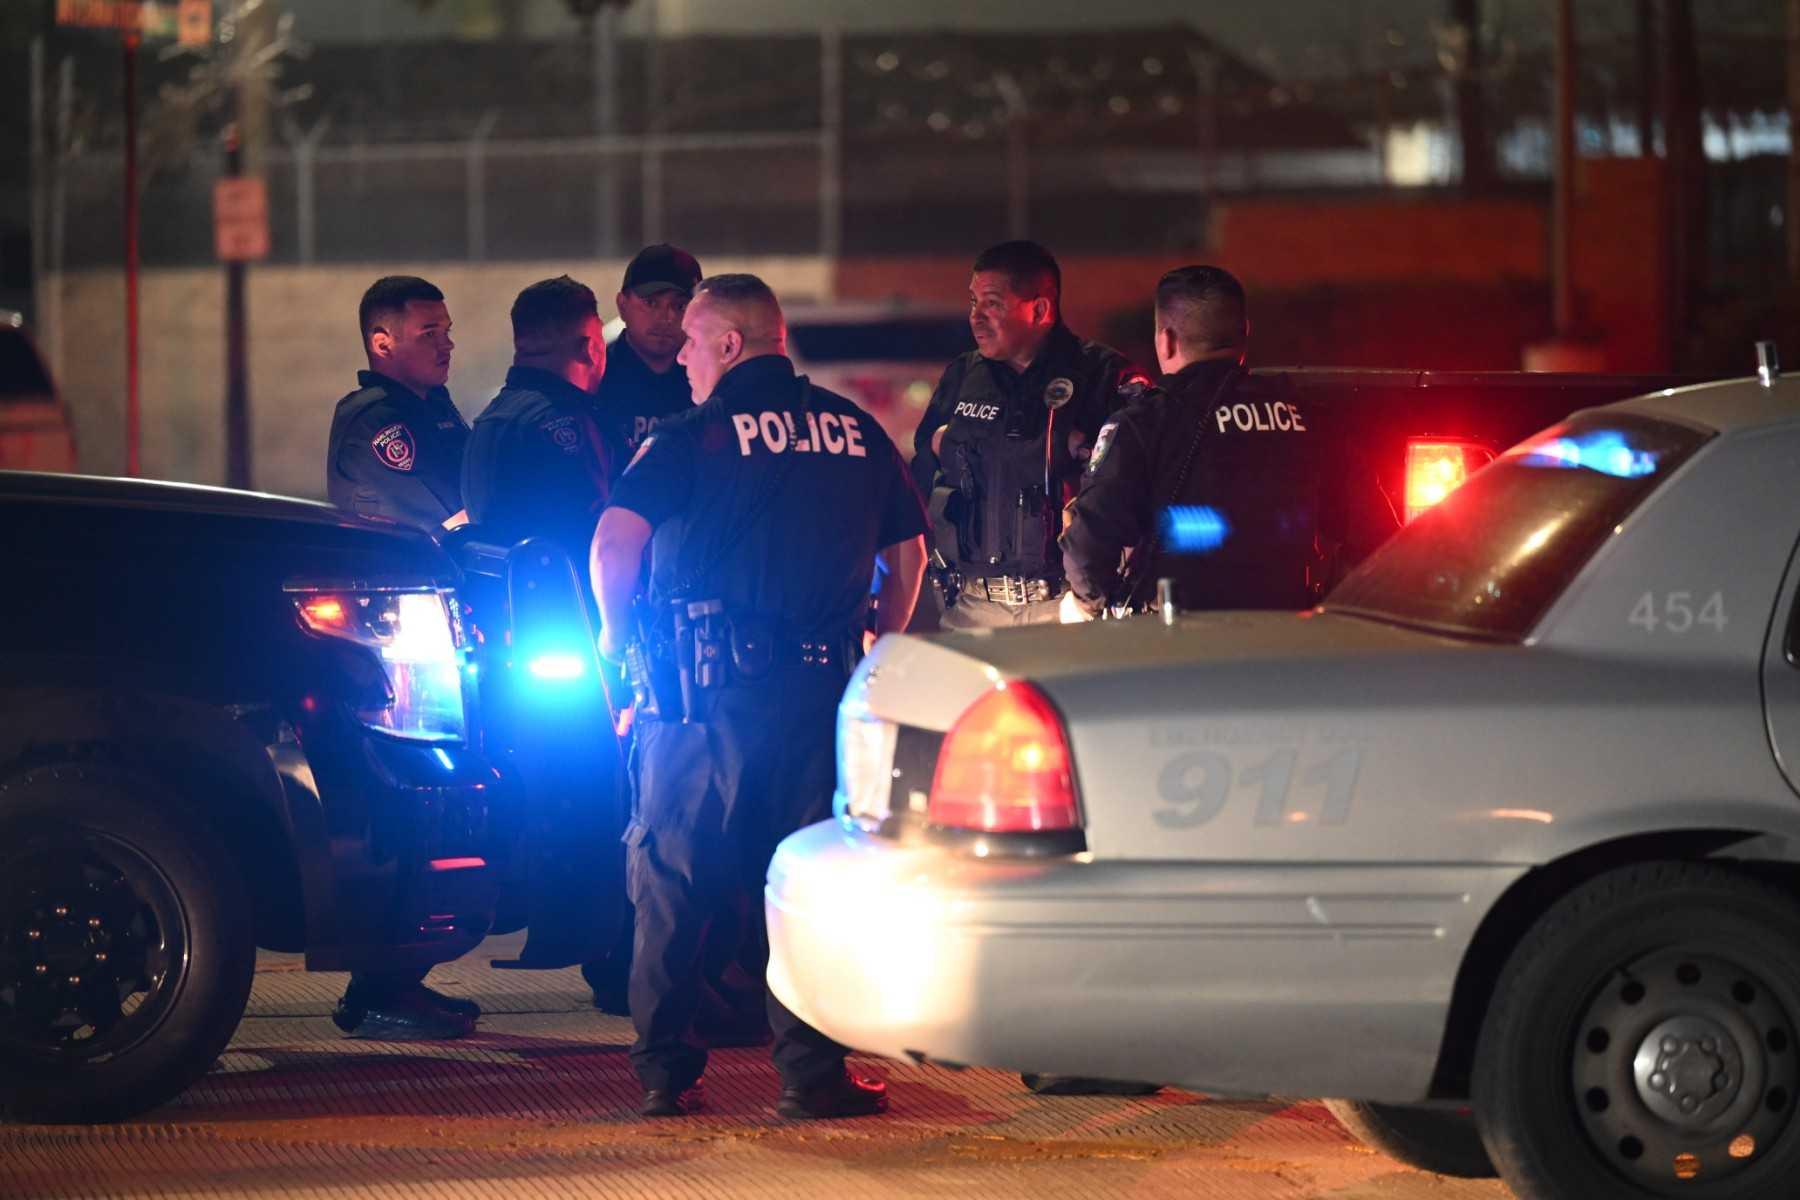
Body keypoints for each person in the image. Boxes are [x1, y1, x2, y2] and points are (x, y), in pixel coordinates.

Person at [590, 273, 927, 1120]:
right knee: (812, 888)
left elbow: (613, 540)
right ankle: (811, 1078)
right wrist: (880, 641)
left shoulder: (692, 435)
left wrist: (612, 641)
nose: (685, 364)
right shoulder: (855, 428)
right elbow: (911, 550)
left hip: (702, 703)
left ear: (732, 344)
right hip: (820, 700)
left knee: (670, 876)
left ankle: (667, 1074)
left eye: (693, 346)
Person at [323, 275, 479, 1041]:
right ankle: (380, 989)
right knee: (411, 810)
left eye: (447, 329)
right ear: (382, 343)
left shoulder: (433, 413)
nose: (446, 342)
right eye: (428, 332)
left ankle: (397, 981)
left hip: (429, 632)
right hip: (392, 643)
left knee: (442, 810)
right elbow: (448, 516)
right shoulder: (378, 425)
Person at [1060, 265, 1321, 621]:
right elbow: (1368, 524)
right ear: (1244, 333)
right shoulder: (1306, 414)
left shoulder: (1145, 421)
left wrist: (1087, 604)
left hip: (1179, 641)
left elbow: (1089, 541)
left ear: (1166, 340)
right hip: (1290, 633)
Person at [909, 240, 1148, 629]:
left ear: (1039, 309)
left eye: (993, 304)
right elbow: (921, 472)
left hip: (1065, 608)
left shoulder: (1103, 376)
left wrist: (1089, 600)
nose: (976, 318)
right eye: (973, 303)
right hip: (970, 609)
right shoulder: (962, 377)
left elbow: (1131, 491)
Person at [601, 244, 705, 456]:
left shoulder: (709, 381)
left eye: (680, 306)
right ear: (622, 305)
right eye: (651, 303)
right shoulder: (595, 377)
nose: (666, 318)